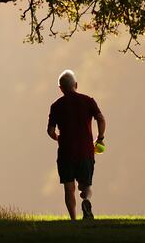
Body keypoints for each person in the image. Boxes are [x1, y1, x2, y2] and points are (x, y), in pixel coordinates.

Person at [47, 69, 106, 220]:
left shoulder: (56, 106)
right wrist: (100, 137)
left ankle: (73, 219)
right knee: (85, 186)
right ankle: (86, 201)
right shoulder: (88, 100)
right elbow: (101, 119)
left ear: (61, 88)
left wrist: (58, 137)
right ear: (76, 85)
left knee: (69, 187)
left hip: (66, 152)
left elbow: (51, 131)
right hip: (86, 150)